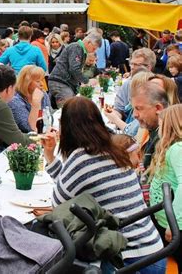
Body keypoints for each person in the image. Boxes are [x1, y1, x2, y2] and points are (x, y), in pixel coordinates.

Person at [41, 97, 165, 273]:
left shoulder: (81, 158)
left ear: (66, 128)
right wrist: (51, 157)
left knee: (59, 247)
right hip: (155, 253)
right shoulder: (114, 148)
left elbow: (58, 206)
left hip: (126, 260)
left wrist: (51, 157)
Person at [149, 104, 182, 271]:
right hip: (162, 218)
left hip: (174, 224)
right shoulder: (170, 147)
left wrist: (173, 223)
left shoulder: (177, 149)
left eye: (161, 123)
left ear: (170, 124)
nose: (158, 128)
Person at [48, 31, 101, 108]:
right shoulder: (76, 47)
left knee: (70, 108)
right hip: (60, 82)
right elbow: (74, 69)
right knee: (68, 109)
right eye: (94, 48)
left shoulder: (79, 48)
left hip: (63, 82)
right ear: (89, 42)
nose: (94, 51)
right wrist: (87, 81)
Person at [131, 82, 169, 170]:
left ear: (158, 108)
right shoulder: (150, 128)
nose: (134, 115)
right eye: (133, 109)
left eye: (139, 108)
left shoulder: (168, 137)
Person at [113, 48, 156, 120]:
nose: (132, 67)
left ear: (148, 67)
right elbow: (118, 109)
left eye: (136, 64)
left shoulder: (156, 85)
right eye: (131, 63)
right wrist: (115, 117)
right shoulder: (127, 84)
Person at [8, 65, 51, 133]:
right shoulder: (14, 101)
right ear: (26, 83)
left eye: (42, 80)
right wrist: (36, 104)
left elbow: (50, 119)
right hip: (24, 141)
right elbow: (30, 128)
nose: (42, 84)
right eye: (38, 81)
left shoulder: (43, 94)